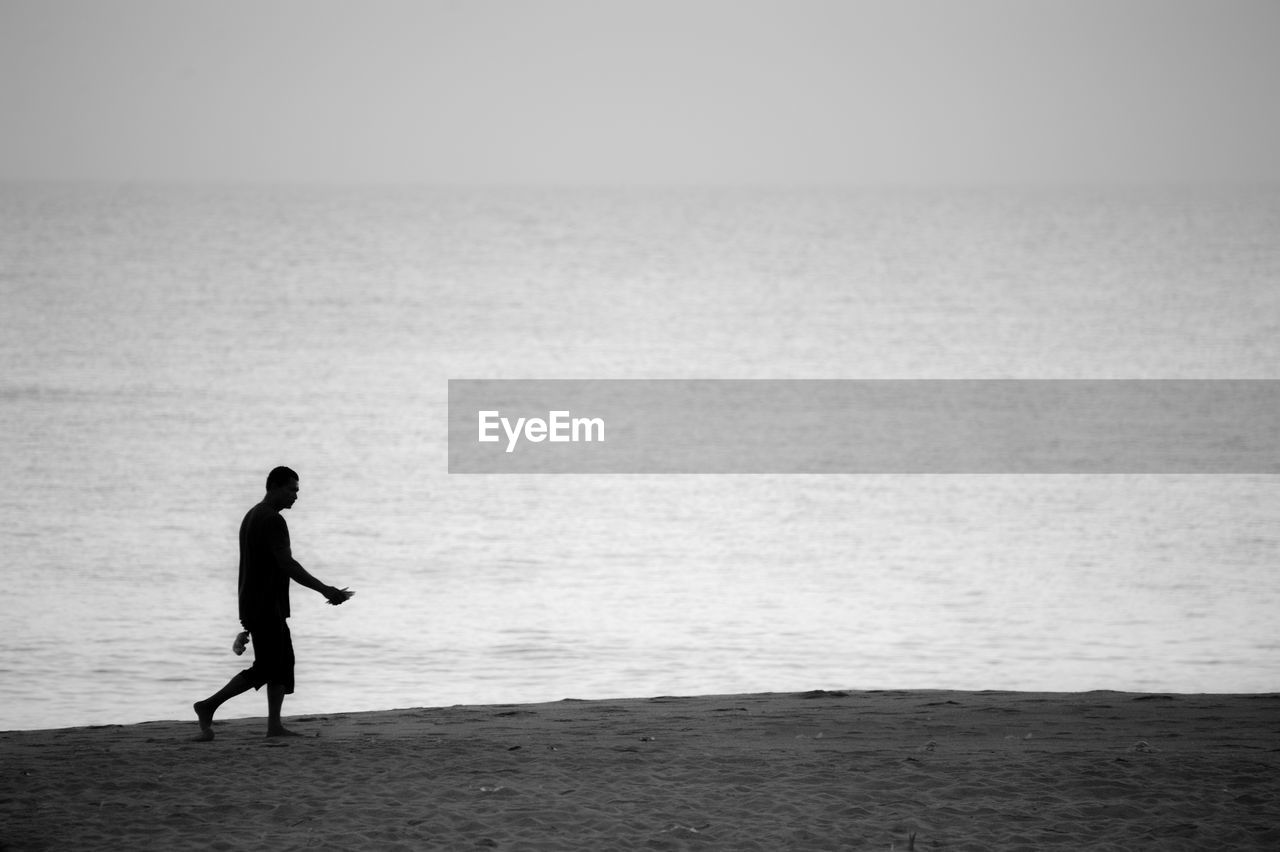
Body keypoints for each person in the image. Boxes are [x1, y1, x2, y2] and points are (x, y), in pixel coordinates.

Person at [194, 466, 353, 741]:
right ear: (275, 487)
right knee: (267, 666)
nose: (295, 496)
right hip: (265, 606)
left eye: (297, 491)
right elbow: (287, 564)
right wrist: (325, 589)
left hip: (260, 604)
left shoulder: (252, 515)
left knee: (282, 663)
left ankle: (274, 726)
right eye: (292, 490)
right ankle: (208, 705)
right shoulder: (272, 520)